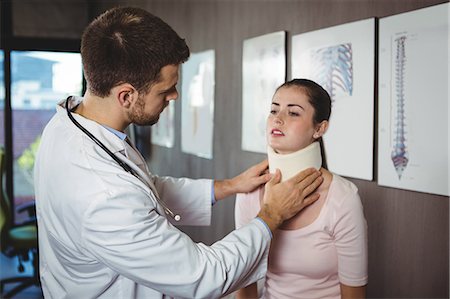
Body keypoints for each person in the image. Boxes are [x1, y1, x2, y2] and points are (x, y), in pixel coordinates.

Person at [33, 7, 324, 299]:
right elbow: (205, 275)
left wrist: (229, 186)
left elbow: (143, 188)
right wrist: (271, 215)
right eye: (166, 90)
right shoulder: (102, 193)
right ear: (126, 95)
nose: (174, 96)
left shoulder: (70, 124)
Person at [235, 79, 368, 299]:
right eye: (273, 110)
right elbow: (243, 279)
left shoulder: (343, 197)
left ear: (319, 128)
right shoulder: (249, 191)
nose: (278, 119)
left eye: (293, 113)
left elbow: (354, 294)